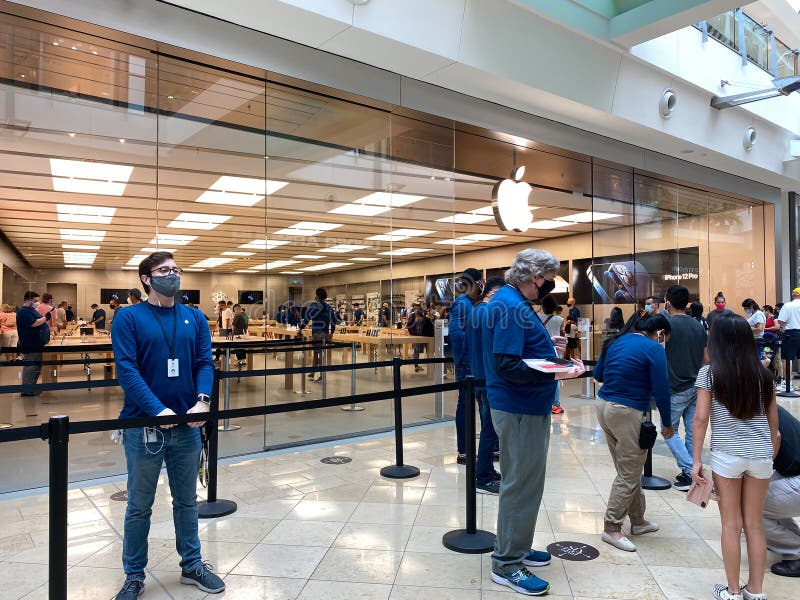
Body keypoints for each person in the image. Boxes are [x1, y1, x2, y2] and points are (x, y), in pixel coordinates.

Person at [111, 251, 223, 599]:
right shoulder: (128, 318)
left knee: (187, 501)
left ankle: (192, 565)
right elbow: (127, 370)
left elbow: (205, 363)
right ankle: (133, 575)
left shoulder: (194, 317)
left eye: (176, 269)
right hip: (144, 427)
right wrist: (158, 411)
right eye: (164, 270)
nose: (172, 275)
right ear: (146, 278)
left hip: (188, 427)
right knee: (139, 505)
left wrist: (202, 401)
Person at [482, 249, 585, 595]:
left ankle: (519, 547)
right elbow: (506, 364)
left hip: (524, 406)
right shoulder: (510, 307)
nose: (548, 286)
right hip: (519, 407)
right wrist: (558, 370)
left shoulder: (511, 302)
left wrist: (546, 351)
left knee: (527, 481)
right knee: (521, 482)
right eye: (546, 279)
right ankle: (507, 562)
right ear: (532, 276)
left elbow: (516, 352)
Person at [692, 314, 778, 600]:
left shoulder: (710, 373)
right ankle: (756, 592)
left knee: (731, 524)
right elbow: (774, 429)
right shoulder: (764, 376)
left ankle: (731, 591)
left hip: (728, 455)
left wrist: (696, 460)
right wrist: (768, 457)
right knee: (754, 524)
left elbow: (701, 419)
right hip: (761, 456)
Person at [593, 310, 672, 553]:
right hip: (627, 412)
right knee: (629, 473)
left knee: (628, 468)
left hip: (604, 406)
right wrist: (668, 424)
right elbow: (662, 390)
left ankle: (638, 520)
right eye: (665, 337)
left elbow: (598, 375)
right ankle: (612, 526)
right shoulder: (654, 349)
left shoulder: (616, 340)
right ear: (659, 333)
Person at [663, 285, 707, 491]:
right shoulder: (698, 325)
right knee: (691, 431)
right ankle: (691, 472)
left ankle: (689, 469)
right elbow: (706, 358)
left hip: (675, 386)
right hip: (696, 384)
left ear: (668, 302)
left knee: (668, 429)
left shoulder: (667, 326)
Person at [466, 277, 504, 494]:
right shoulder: (485, 312)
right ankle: (484, 476)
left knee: (489, 427)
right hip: (486, 378)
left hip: (480, 376)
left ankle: (486, 468)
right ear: (492, 292)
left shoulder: (476, 310)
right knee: (490, 429)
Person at [449, 267, 484, 464]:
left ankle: (470, 448)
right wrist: (472, 351)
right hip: (468, 363)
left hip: (473, 361)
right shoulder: (462, 304)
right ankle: (464, 450)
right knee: (465, 406)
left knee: (474, 405)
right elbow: (456, 333)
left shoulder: (471, 303)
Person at [764, 405, 800, 578]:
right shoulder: (766, 402)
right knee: (760, 498)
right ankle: (792, 541)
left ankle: (796, 551)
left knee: (750, 506)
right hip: (791, 472)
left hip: (796, 476)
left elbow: (775, 437)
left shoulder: (755, 408)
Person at [16, 291, 52, 417]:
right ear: (28, 300)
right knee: (31, 366)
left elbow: (38, 321)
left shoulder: (31, 310)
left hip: (37, 342)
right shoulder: (24, 311)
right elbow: (34, 323)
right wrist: (45, 318)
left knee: (35, 366)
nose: (37, 303)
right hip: (30, 343)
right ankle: (27, 390)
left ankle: (31, 387)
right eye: (35, 300)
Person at [301, 288, 339, 383]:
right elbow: (334, 321)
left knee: (317, 353)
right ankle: (313, 372)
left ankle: (322, 375)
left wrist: (301, 328)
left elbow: (307, 318)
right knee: (318, 352)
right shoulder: (328, 307)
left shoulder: (314, 305)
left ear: (317, 296)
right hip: (325, 332)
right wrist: (331, 333)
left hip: (317, 333)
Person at [540, 294, 565, 415]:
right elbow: (562, 334)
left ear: (543, 306)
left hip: (542, 350)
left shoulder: (538, 317)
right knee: (556, 378)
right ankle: (556, 404)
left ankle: (544, 401)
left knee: (542, 376)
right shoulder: (559, 319)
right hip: (556, 350)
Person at [776, 288, 800, 393]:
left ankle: (788, 384)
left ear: (793, 295)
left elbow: (781, 321)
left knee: (787, 359)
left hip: (791, 334)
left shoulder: (788, 305)